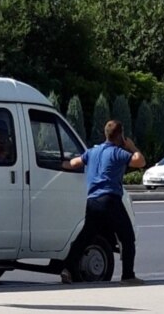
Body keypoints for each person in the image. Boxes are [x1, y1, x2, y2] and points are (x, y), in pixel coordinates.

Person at [60, 119, 146, 285]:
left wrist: (59, 163)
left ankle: (67, 269)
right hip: (110, 200)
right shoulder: (117, 152)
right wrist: (131, 146)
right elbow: (140, 161)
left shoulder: (93, 152)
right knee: (127, 237)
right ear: (120, 135)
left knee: (85, 236)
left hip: (92, 202)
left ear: (105, 134)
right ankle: (128, 275)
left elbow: (73, 163)